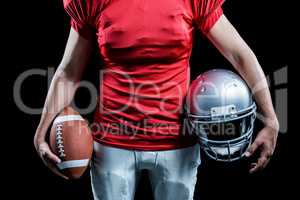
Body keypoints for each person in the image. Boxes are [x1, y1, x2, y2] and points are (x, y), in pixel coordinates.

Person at [34, 0, 279, 199]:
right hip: (112, 142)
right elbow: (69, 72)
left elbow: (239, 54)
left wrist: (270, 118)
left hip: (177, 141)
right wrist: (40, 132)